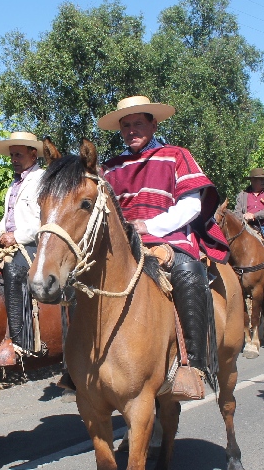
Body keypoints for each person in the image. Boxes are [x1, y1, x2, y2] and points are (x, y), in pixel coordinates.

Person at [97, 95, 230, 399]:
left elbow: (191, 205)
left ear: (153, 124)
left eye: (138, 123)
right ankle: (79, 364)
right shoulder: (110, 168)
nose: (131, 130)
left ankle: (193, 367)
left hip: (168, 238)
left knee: (188, 271)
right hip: (120, 246)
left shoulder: (176, 156)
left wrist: (149, 226)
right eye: (126, 125)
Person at [0, 132, 45, 366]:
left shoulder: (42, 180)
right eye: (12, 155)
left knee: (14, 269)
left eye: (18, 154)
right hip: (12, 242)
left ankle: (20, 344)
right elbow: (8, 218)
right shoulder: (14, 184)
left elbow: (44, 221)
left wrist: (16, 236)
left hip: (33, 245)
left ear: (33, 154)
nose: (14, 159)